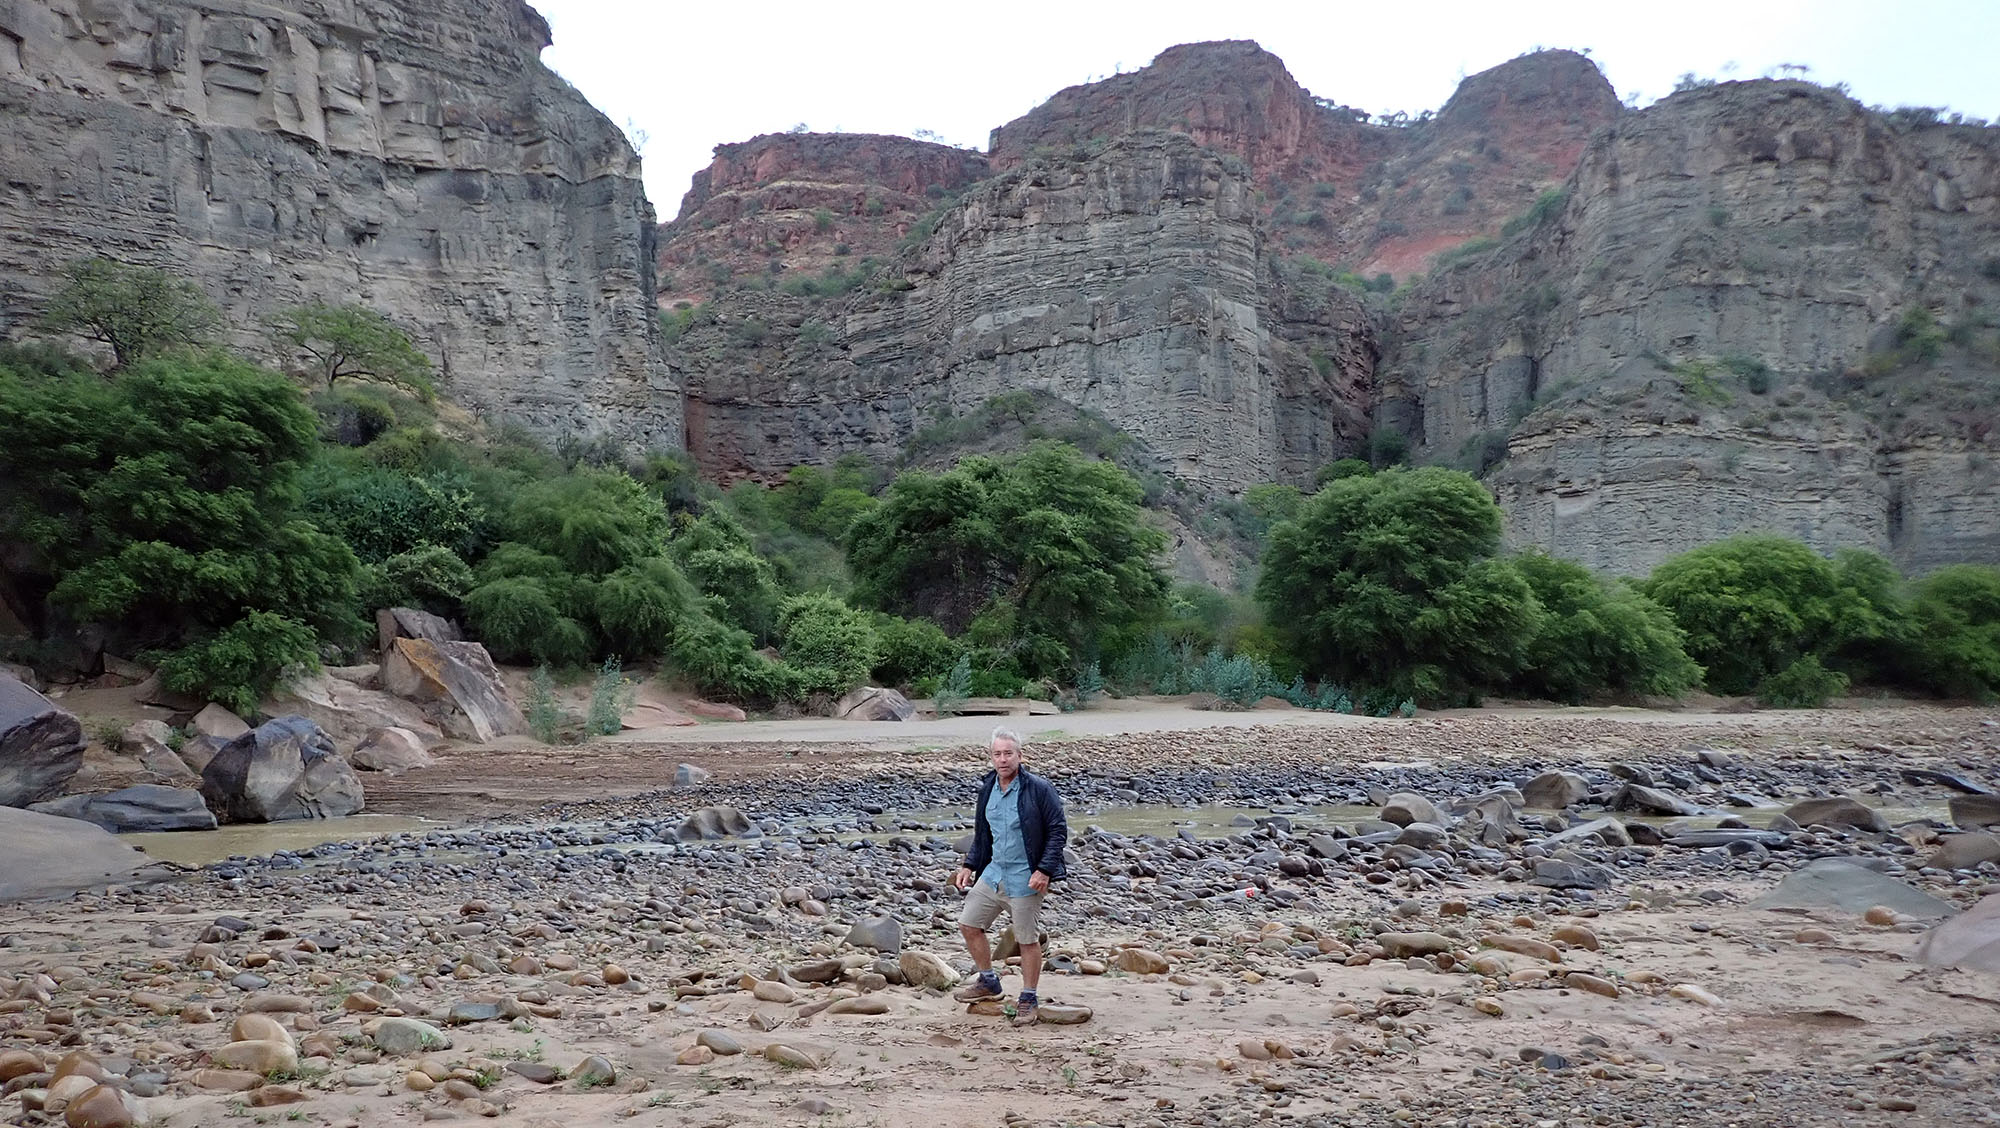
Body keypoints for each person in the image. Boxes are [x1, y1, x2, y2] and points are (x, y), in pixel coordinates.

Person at [952, 726, 1068, 1027]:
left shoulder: (1038, 789)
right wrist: (969, 865)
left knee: (1026, 939)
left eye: (1008, 753)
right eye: (997, 754)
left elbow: (1057, 830)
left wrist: (1044, 870)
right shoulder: (987, 788)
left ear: (1020, 755)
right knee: (968, 924)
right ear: (991, 757)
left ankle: (1028, 998)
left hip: (1026, 876)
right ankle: (989, 981)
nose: (1002, 759)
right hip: (994, 872)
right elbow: (983, 833)